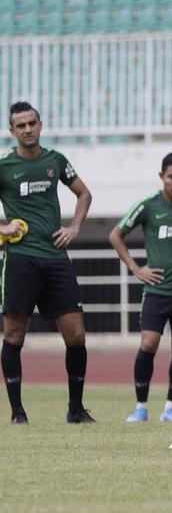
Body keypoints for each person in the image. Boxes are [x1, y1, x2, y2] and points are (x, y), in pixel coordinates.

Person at [0, 101, 94, 425]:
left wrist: (75, 228)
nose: (27, 129)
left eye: (32, 123)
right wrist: (2, 228)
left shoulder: (56, 161)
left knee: (77, 336)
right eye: (20, 125)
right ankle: (17, 412)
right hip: (20, 259)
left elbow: (84, 194)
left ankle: (76, 410)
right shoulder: (4, 165)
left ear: (41, 125)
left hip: (55, 258)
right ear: (11, 131)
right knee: (14, 336)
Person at [110, 152, 172, 424]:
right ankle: (140, 407)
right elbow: (116, 235)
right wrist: (136, 268)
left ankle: (170, 408)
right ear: (162, 177)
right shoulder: (149, 205)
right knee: (149, 343)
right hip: (157, 291)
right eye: (171, 177)